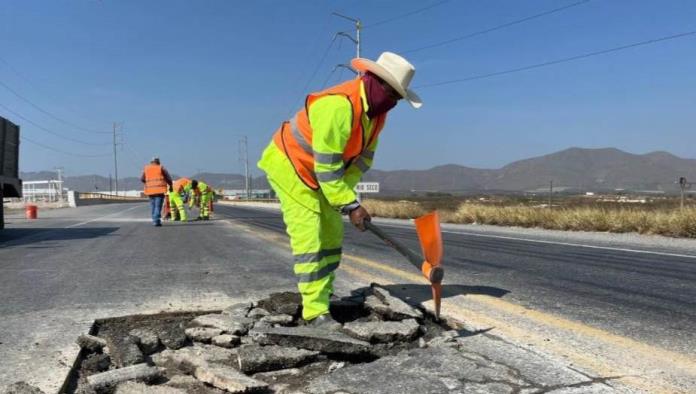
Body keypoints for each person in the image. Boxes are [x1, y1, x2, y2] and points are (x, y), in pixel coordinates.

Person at [258, 52, 421, 327]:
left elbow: (362, 161)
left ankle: (324, 293)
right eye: (391, 94)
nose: (392, 103)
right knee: (310, 238)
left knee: (332, 236)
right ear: (373, 81)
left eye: (398, 99)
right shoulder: (338, 106)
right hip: (292, 167)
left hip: (324, 175)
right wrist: (352, 205)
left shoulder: (376, 116)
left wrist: (347, 199)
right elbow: (328, 168)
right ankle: (315, 311)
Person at [140, 157, 173, 226]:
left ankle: (156, 220)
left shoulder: (146, 168)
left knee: (153, 206)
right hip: (159, 190)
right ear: (158, 162)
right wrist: (171, 186)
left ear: (151, 162)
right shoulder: (161, 168)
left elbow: (142, 179)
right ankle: (156, 220)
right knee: (158, 206)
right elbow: (168, 178)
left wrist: (148, 183)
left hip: (150, 191)